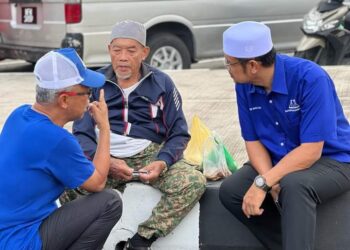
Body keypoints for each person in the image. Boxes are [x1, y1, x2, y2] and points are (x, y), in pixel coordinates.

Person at [60, 20, 206, 250]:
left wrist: (162, 162)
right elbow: (81, 134)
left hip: (149, 155)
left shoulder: (162, 83)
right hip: (104, 156)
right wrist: (105, 162)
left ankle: (142, 240)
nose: (123, 57)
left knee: (193, 182)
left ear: (144, 52)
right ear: (109, 50)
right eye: (117, 50)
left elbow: (179, 133)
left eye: (131, 50)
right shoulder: (95, 85)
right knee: (68, 182)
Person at [218, 21, 350, 250]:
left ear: (252, 65)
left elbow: (311, 151)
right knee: (231, 191)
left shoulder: (310, 78)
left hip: (333, 160)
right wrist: (269, 178)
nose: (227, 69)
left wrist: (265, 182)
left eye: (229, 63)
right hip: (279, 159)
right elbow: (253, 140)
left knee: (294, 185)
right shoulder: (244, 85)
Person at [0, 48, 123, 250]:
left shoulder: (19, 115)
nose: (90, 99)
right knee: (109, 202)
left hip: (6, 230)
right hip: (20, 240)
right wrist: (105, 127)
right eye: (86, 92)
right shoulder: (57, 140)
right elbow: (98, 182)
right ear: (64, 99)